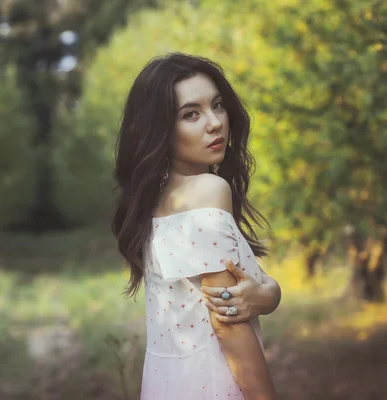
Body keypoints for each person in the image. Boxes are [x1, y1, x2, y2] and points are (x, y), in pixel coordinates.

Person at [111, 53, 281, 399]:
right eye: (191, 114)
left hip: (168, 381)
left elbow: (238, 298)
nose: (215, 122)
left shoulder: (153, 200)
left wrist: (268, 295)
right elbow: (228, 324)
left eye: (217, 106)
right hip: (214, 381)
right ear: (159, 129)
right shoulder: (207, 191)